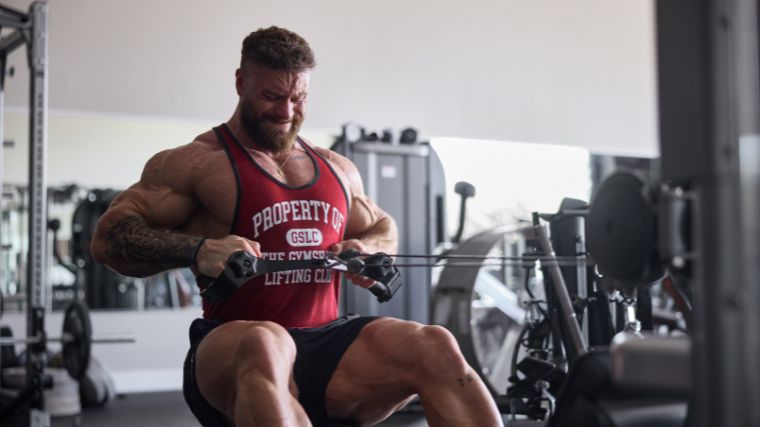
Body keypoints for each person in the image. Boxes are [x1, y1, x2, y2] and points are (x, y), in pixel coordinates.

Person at [91, 26, 503, 427]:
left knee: (434, 344)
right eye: (272, 96)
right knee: (266, 341)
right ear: (241, 82)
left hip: (328, 343)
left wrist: (368, 248)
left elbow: (381, 224)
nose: (286, 113)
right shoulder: (197, 162)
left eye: (298, 98)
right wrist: (197, 250)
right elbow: (108, 238)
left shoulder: (336, 168)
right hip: (234, 341)